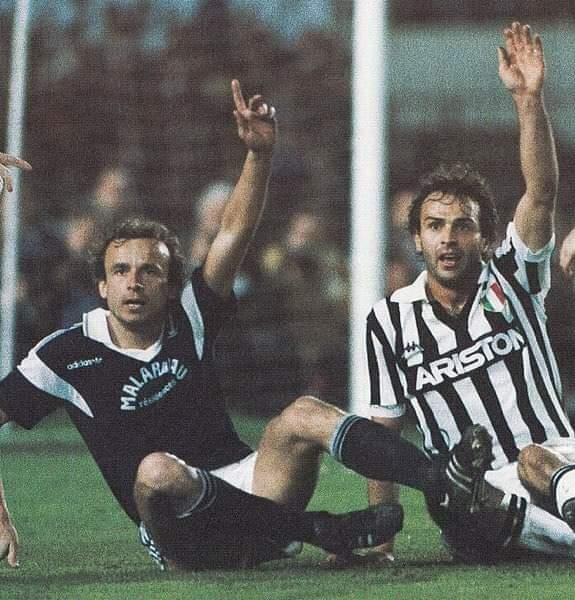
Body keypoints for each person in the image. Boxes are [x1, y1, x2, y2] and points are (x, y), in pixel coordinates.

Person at [0, 81, 476, 571]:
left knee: (304, 412)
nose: (134, 283)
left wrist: (259, 154)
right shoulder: (65, 353)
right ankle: (315, 530)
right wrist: (1, 516)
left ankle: (444, 480)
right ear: (102, 286)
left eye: (149, 271)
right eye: (120, 271)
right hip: (183, 529)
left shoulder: (189, 313)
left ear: (170, 284)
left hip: (253, 488)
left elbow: (234, 230)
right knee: (156, 469)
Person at [365, 22, 575, 563]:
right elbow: (384, 436)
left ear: (486, 237)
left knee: (532, 460)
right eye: (434, 226)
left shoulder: (513, 276)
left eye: (462, 225)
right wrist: (381, 538)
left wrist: (528, 100)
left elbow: (540, 194)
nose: (448, 238)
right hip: (479, 500)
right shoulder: (389, 321)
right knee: (461, 499)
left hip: (559, 464)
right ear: (416, 240)